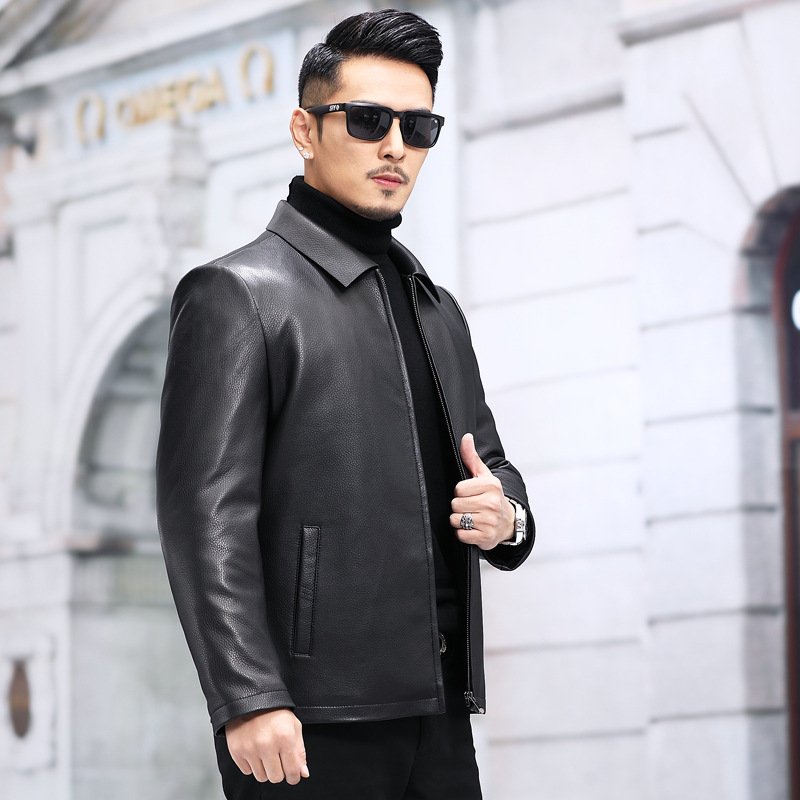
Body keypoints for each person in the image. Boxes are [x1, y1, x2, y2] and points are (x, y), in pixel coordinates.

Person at [155, 9, 534, 799]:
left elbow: (491, 463)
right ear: (306, 129)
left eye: (417, 127)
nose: (395, 146)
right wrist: (248, 696)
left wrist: (507, 518)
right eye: (367, 120)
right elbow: (205, 513)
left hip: (439, 712)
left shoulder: (435, 307)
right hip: (306, 722)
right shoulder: (238, 295)